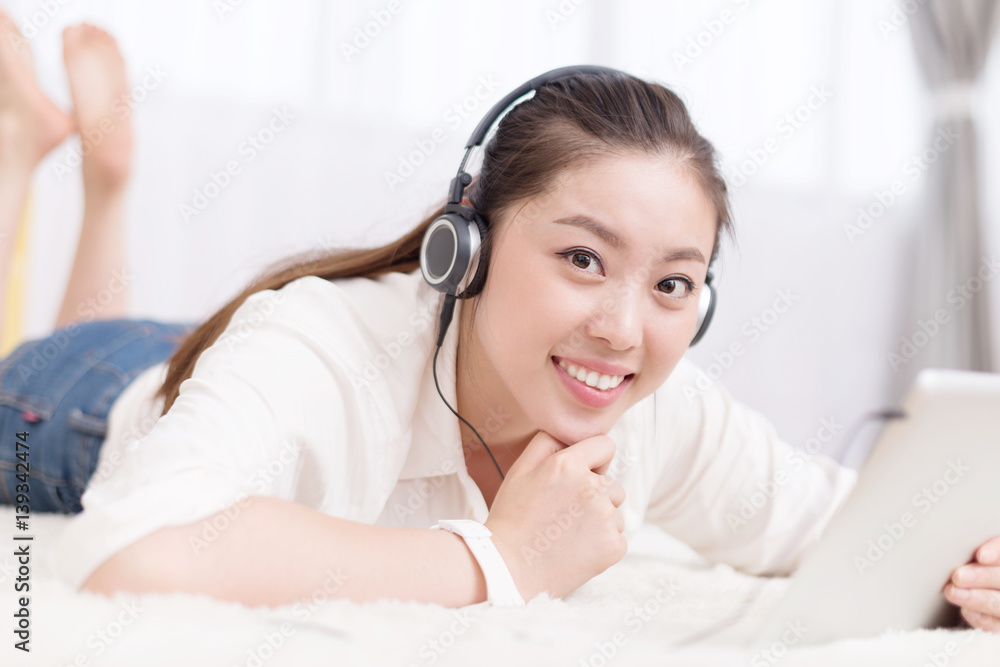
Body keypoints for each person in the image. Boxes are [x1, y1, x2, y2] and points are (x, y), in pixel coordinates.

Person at [1, 15, 998, 632]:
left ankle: (102, 181)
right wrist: (498, 560)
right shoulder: (324, 347)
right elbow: (133, 552)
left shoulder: (662, 409)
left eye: (673, 284)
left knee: (164, 343)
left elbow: (844, 522)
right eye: (580, 258)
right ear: (461, 249)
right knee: (47, 358)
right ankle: (31, 160)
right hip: (79, 410)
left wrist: (972, 567)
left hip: (210, 365)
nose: (621, 328)